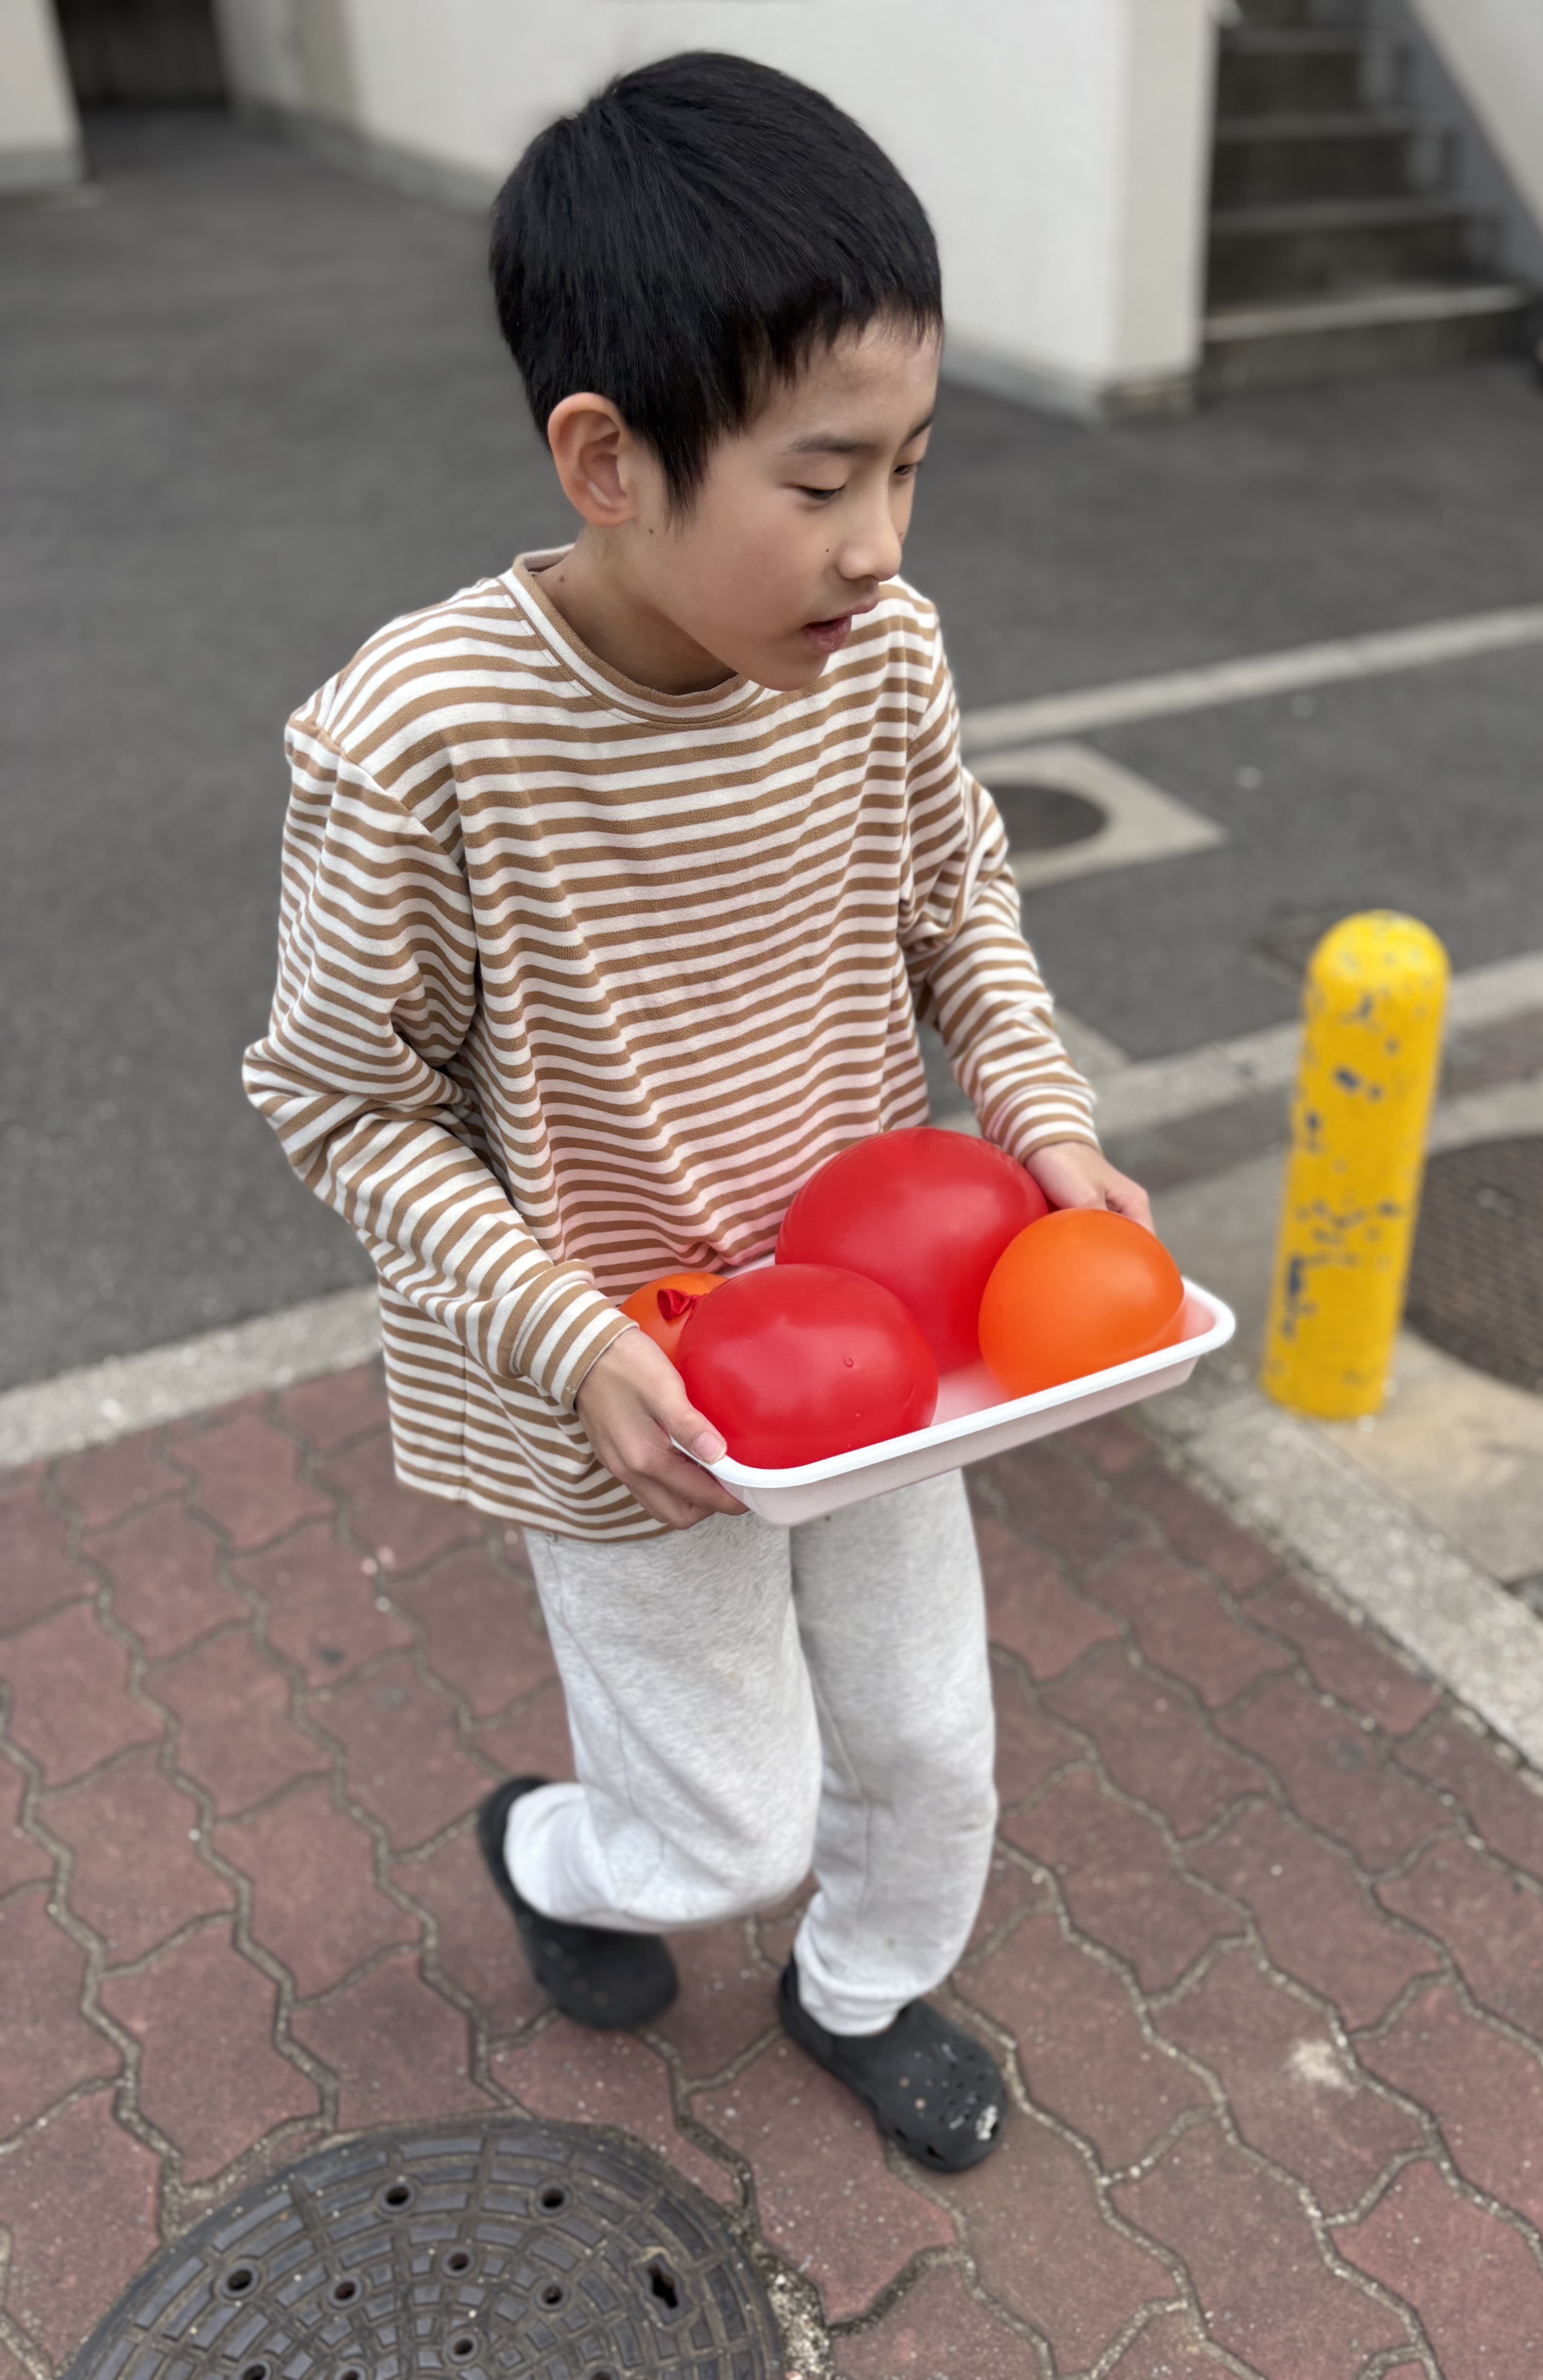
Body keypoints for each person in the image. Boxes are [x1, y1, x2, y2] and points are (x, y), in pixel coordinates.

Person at [243, 52, 1151, 2173]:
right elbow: (342, 1103)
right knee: (722, 1814)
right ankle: (567, 1854)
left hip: (880, 1333)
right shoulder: (420, 742)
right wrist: (573, 1343)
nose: (881, 544)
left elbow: (960, 903)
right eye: (823, 480)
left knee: (927, 1735)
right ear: (606, 458)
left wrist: (1042, 1115)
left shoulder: (889, 654)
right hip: (613, 1393)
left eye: (915, 468)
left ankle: (862, 1986)